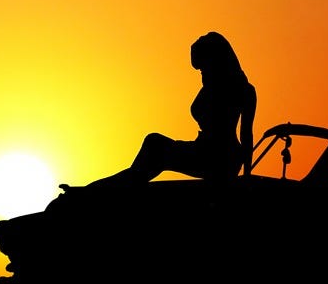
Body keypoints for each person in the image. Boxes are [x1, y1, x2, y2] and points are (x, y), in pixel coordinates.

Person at [87, 31, 257, 187]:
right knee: (148, 157)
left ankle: (97, 190)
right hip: (203, 150)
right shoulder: (211, 86)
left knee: (153, 147)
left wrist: (247, 176)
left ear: (216, 62)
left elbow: (246, 135)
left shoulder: (243, 90)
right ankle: (98, 189)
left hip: (218, 159)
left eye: (203, 67)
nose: (202, 72)